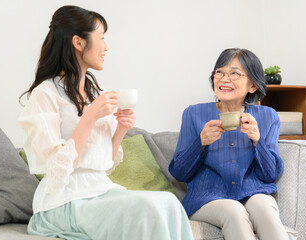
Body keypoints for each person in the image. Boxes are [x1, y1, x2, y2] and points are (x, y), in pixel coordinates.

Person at [18, 5, 193, 240]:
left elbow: (104, 162)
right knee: (147, 210)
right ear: (78, 43)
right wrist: (89, 117)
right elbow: (56, 171)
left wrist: (121, 129)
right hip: (64, 199)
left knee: (169, 202)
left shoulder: (95, 92)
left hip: (100, 189)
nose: (106, 46)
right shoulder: (45, 95)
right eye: (101, 38)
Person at [169, 48, 290, 240]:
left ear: (252, 86)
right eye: (219, 72)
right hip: (207, 197)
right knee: (233, 210)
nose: (224, 79)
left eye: (234, 73)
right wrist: (201, 143)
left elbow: (270, 174)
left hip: (252, 193)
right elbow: (179, 172)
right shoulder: (193, 114)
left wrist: (258, 141)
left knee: (264, 207)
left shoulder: (268, 117)